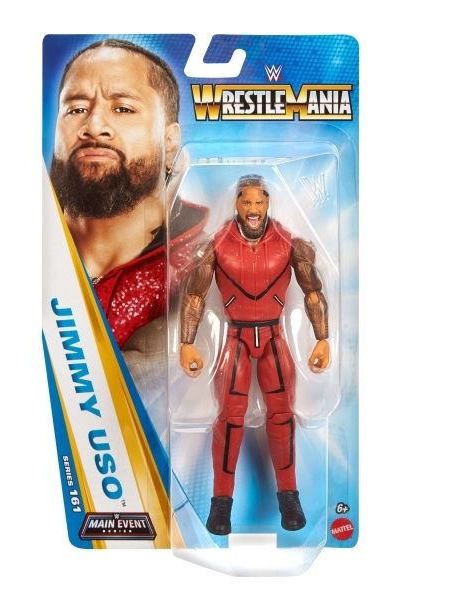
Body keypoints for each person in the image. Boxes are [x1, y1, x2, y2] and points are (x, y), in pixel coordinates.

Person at [178, 175, 330, 535]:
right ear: (236, 203)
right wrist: (186, 342)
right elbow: (194, 296)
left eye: (258, 202)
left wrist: (322, 338)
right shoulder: (216, 246)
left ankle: (289, 497)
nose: (253, 209)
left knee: (282, 418)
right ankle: (221, 503)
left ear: (267, 203)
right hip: (236, 339)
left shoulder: (289, 244)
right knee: (229, 421)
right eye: (246, 202)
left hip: (275, 338)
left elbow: (313, 292)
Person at [49, 39, 207, 351]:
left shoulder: (201, 264)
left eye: (122, 109)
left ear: (170, 141)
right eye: (76, 109)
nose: (94, 126)